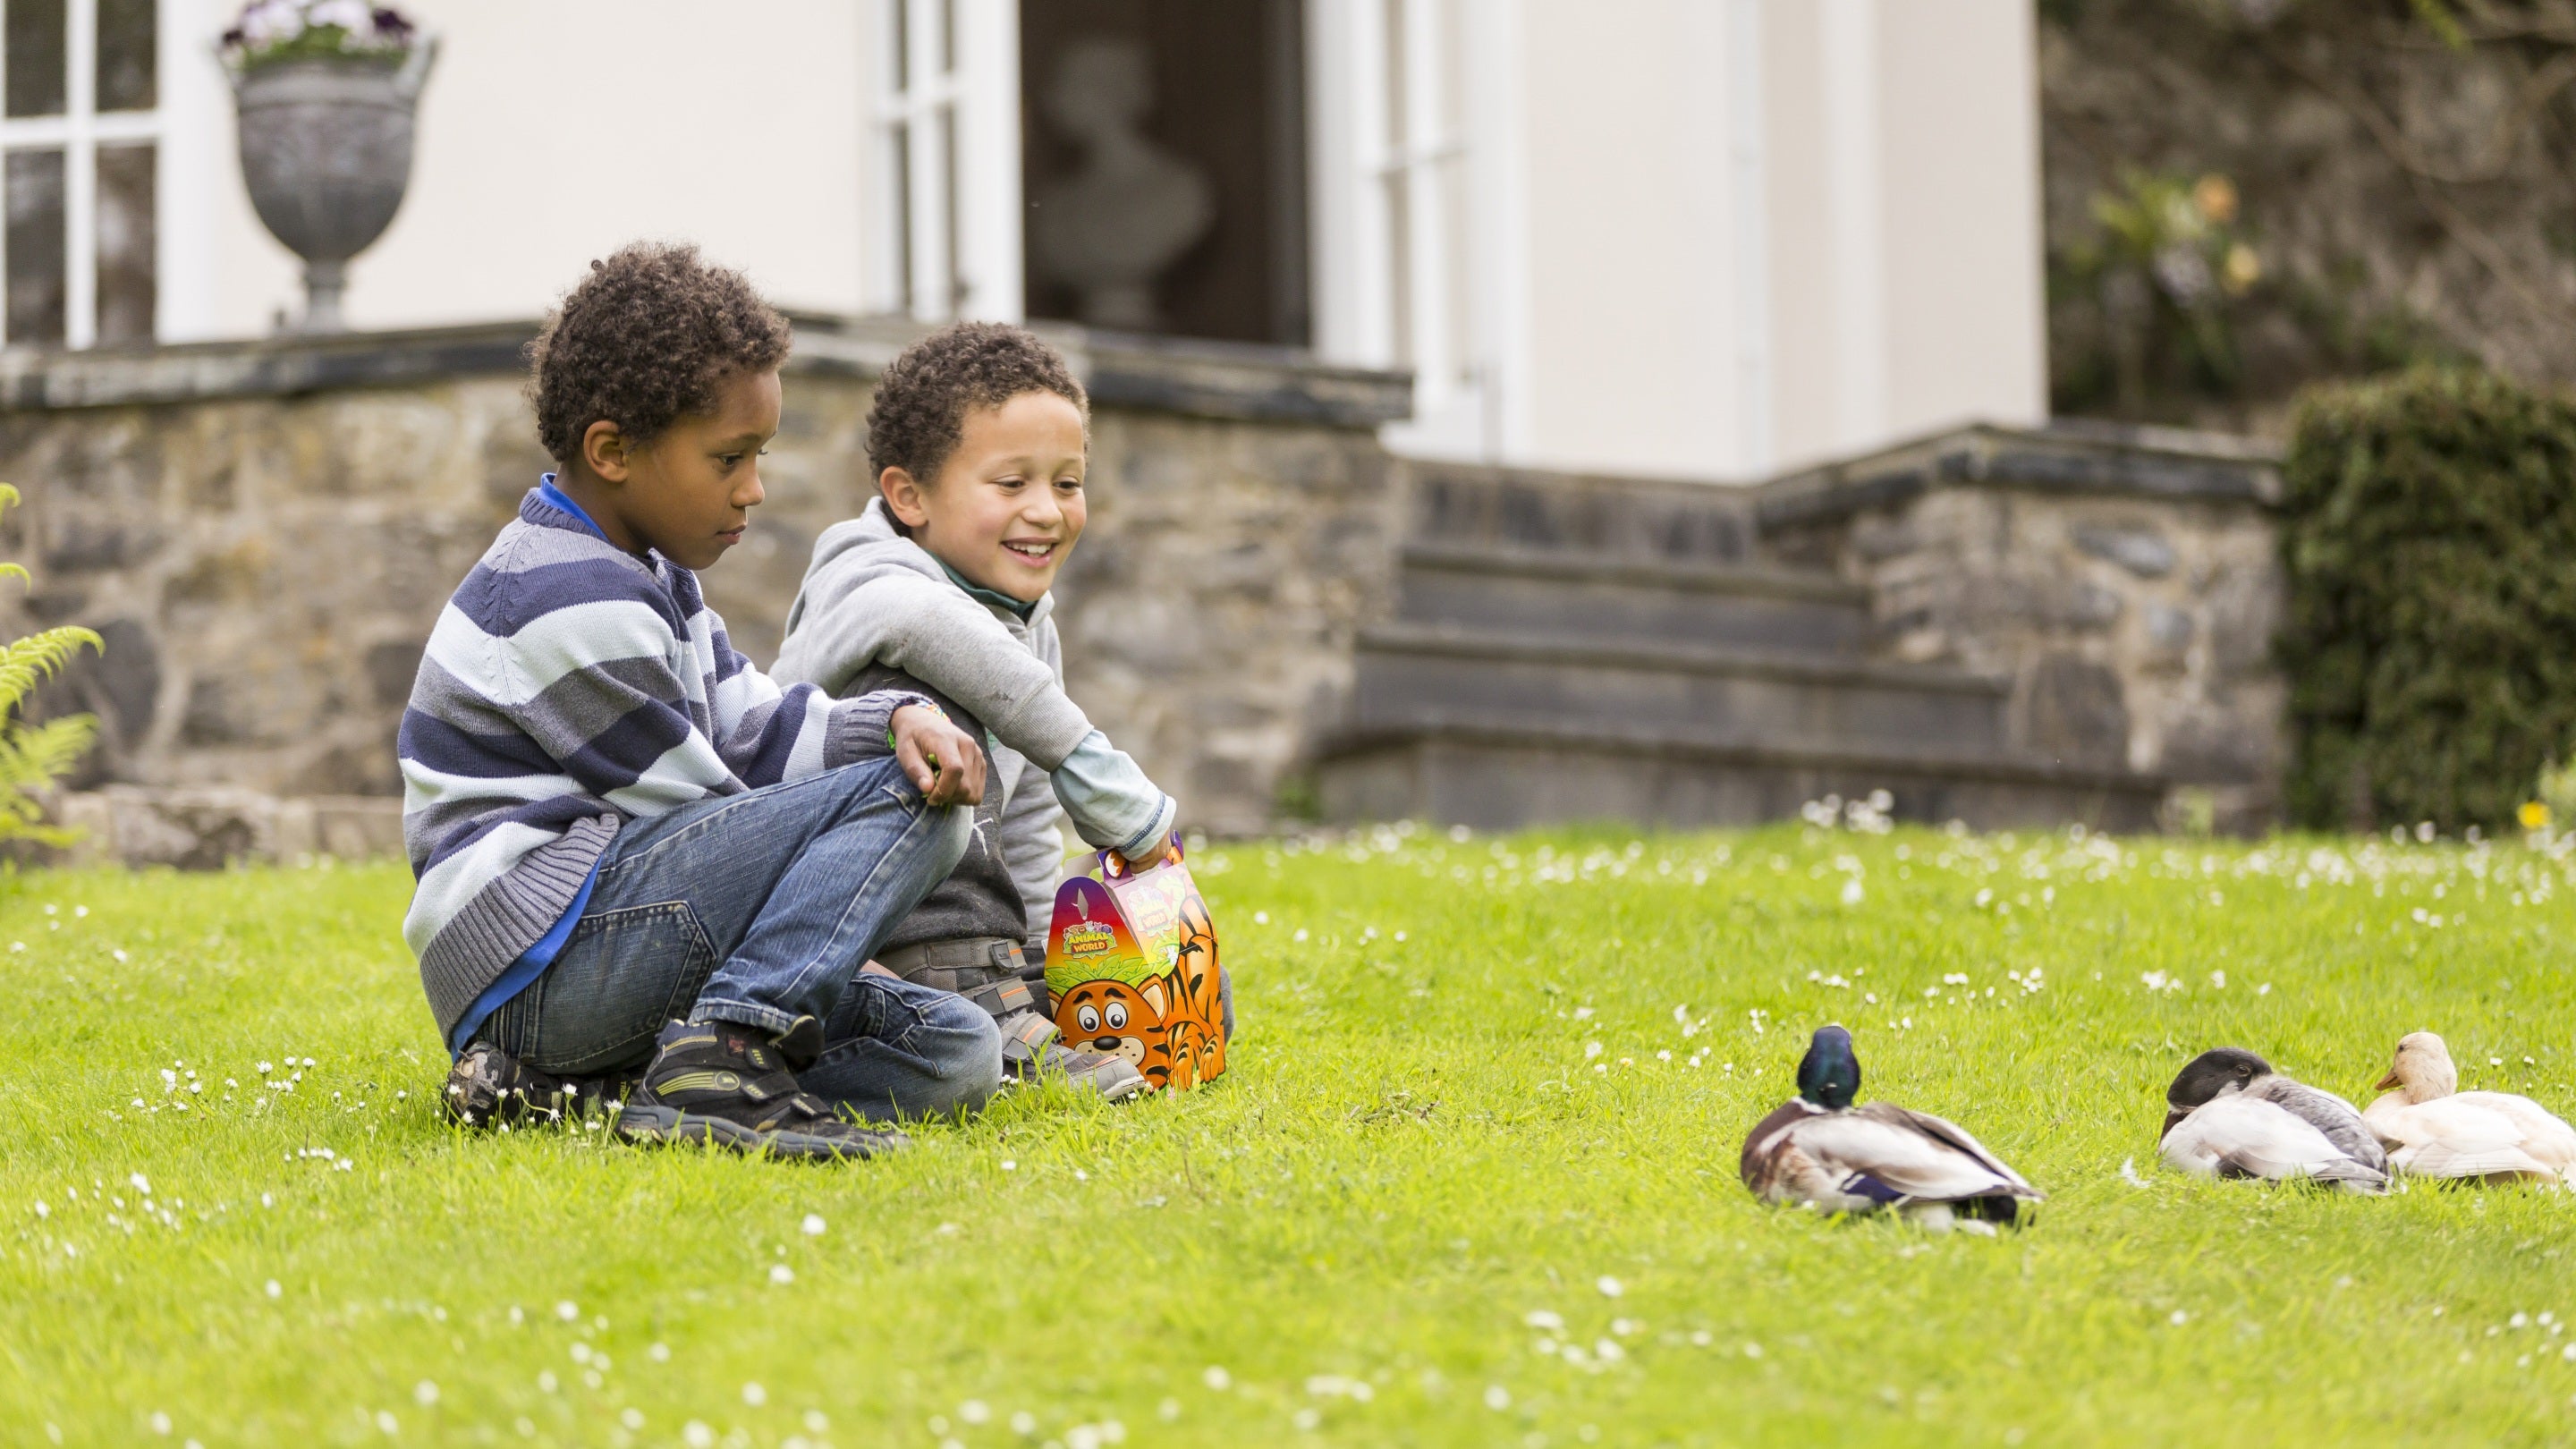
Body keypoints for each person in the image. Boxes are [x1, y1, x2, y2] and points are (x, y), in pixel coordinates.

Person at [399, 243, 1002, 1160]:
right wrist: (834, 928)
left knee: (956, 1049)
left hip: (621, 950)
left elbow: (753, 728)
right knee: (911, 801)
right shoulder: (561, 594)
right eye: (730, 457)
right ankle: (725, 1063)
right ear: (612, 452)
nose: (754, 490)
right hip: (543, 968)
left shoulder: (648, 576)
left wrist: (890, 718)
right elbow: (703, 805)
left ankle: (583, 1093)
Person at [772, 322, 1209, 1100]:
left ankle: (1002, 989)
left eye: (1067, 483)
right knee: (930, 702)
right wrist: (1087, 759)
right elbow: (927, 627)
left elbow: (1033, 816)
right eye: (1011, 485)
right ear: (909, 497)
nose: (1046, 510)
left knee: (1158, 989)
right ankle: (962, 993)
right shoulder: (867, 577)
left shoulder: (1021, 618)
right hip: (843, 928)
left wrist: (1049, 960)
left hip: (977, 938)